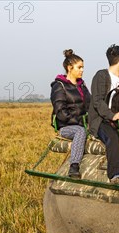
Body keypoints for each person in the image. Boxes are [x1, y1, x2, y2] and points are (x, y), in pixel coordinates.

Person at [88, 44, 119, 185]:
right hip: (101, 121)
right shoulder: (101, 76)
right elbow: (97, 101)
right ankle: (115, 175)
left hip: (117, 122)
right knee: (112, 138)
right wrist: (111, 115)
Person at [50, 49, 91, 178]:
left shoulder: (82, 85)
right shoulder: (59, 86)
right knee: (80, 131)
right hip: (66, 126)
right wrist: (80, 122)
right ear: (69, 68)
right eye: (79, 67)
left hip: (83, 123)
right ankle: (74, 166)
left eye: (83, 67)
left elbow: (90, 105)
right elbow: (61, 112)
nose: (82, 70)